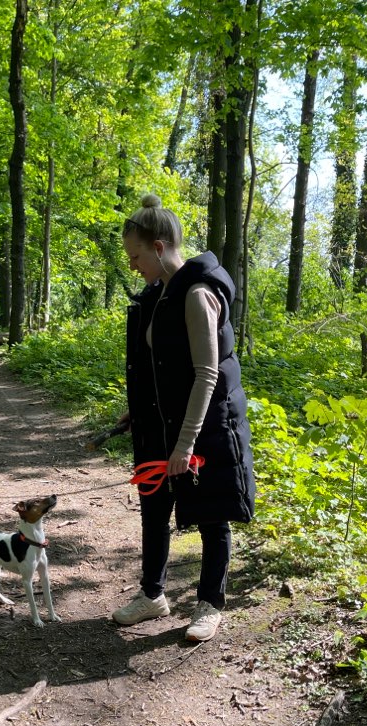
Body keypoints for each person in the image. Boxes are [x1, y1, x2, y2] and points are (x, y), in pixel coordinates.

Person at [112, 193, 255, 642]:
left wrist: (185, 444)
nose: (132, 266)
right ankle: (153, 595)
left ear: (158, 248)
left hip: (205, 427)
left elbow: (206, 374)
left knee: (212, 514)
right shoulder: (159, 294)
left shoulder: (196, 294)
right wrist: (138, 410)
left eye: (136, 256)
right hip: (163, 423)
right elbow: (160, 366)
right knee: (154, 508)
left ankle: (210, 603)